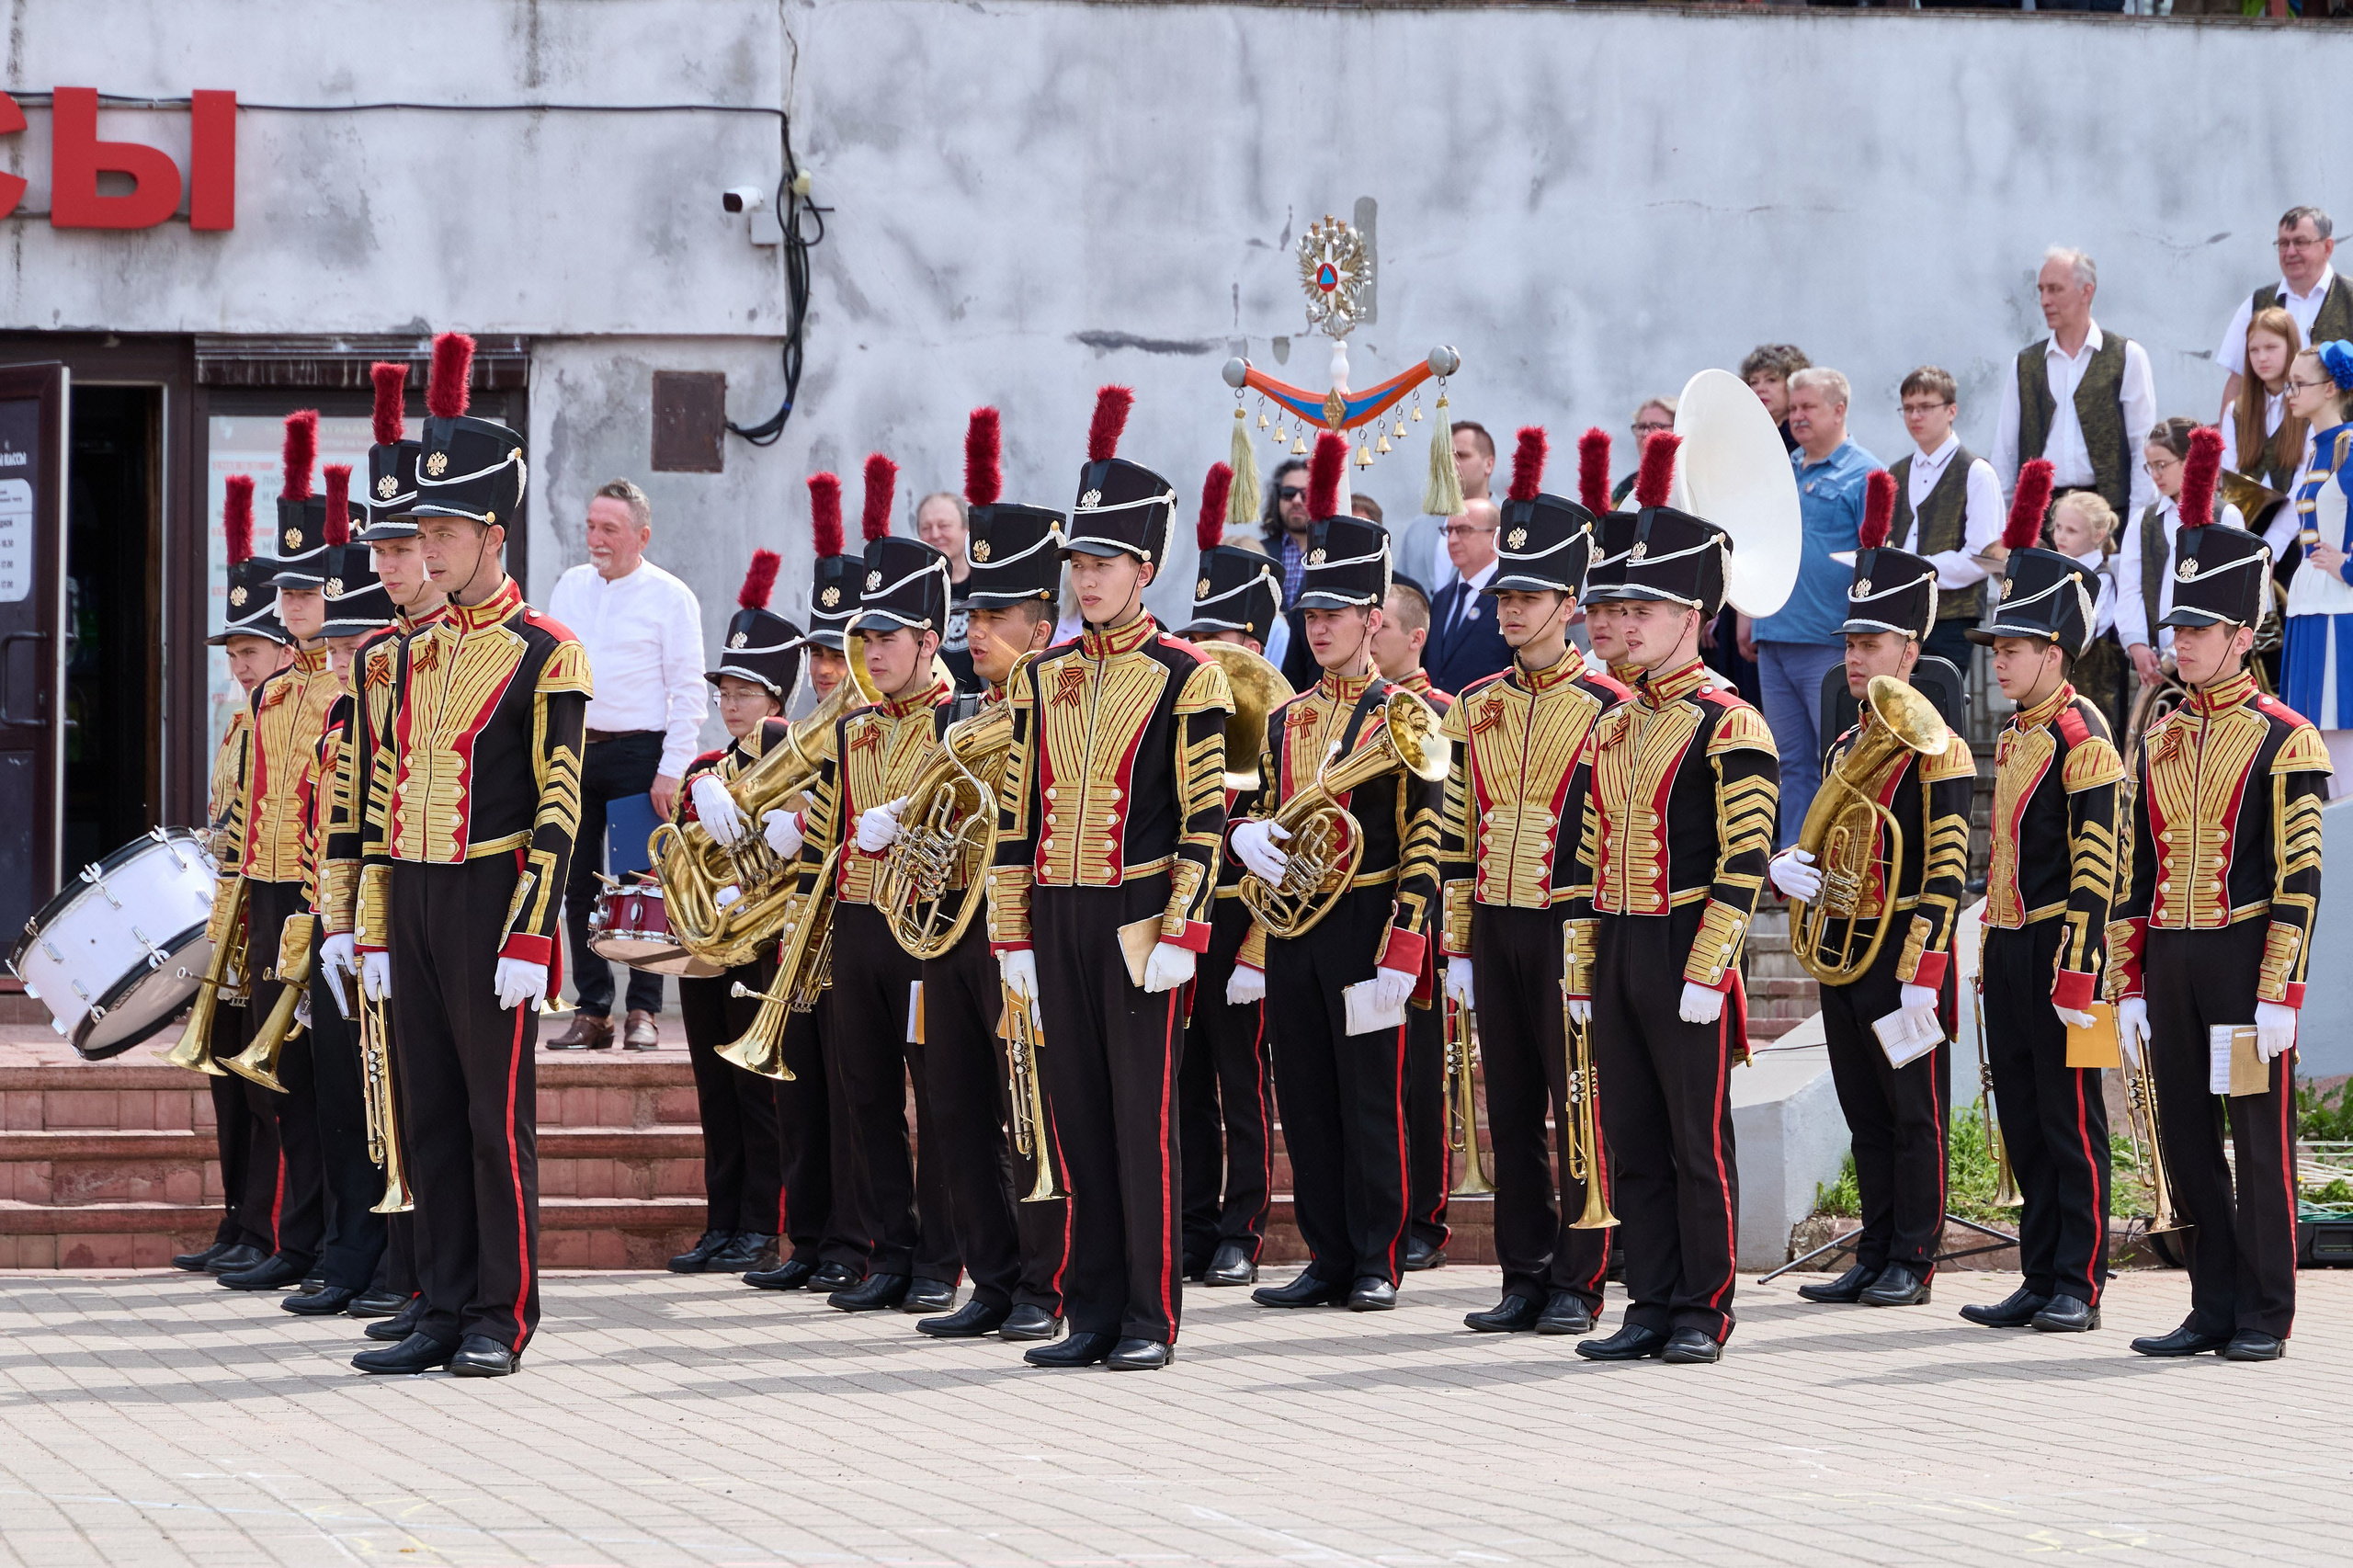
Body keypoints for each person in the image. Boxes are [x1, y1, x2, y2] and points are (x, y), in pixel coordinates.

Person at [349, 332, 591, 1379]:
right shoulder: (404, 653)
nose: (427, 548)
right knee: (427, 1108)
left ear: (492, 535)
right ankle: (439, 1300)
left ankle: (501, 1308)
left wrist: (533, 930)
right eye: (422, 531)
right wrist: (369, 920)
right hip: (412, 891)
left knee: (497, 1121)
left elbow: (562, 799)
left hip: (495, 890)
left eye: (444, 530)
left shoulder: (547, 649)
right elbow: (376, 790)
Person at [987, 386, 1233, 1370]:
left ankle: (1147, 1314)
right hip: (1055, 909)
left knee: (1143, 1122)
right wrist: (1011, 935)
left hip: (1139, 910)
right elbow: (1012, 815)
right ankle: (1087, 1310)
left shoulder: (1187, 673)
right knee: (1076, 1116)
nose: (1085, 581)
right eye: (1077, 565)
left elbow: (1208, 815)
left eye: (1103, 563)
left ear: (1144, 567)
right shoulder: (1039, 676)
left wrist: (1184, 927)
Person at [857, 408, 1070, 1341]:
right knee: (956, 1105)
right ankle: (989, 1275)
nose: (974, 630)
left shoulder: (1058, 706)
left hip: (1023, 934)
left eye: (995, 617)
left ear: (1043, 622)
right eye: (972, 614)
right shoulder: (958, 715)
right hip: (950, 930)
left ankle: (1043, 1282)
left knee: (1029, 1109)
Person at [1565, 464, 1778, 1365]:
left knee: (1698, 1142)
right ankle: (1647, 1298)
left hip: (1686, 946)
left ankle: (1702, 1305)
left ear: (1690, 614)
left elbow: (1745, 859)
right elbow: (1581, 856)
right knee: (1634, 1136)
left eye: (1644, 609)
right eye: (1619, 608)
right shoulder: (1611, 723)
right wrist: (1582, 969)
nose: (1625, 624)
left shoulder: (1729, 722)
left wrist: (1708, 966)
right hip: (1617, 943)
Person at [2109, 484, 2326, 1363]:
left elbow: (2300, 880)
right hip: (2171, 956)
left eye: (2201, 629)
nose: (2183, 641)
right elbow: (2134, 870)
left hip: (2243, 958)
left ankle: (2265, 1313)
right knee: (2185, 1138)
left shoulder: (2288, 738)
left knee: (2257, 1139)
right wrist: (2129, 978)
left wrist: (2281, 991)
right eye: (2177, 628)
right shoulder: (2157, 736)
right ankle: (2209, 1302)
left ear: (2243, 636)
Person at [1230, 436, 1440, 1315]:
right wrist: (1244, 838)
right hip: (1291, 923)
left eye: (1337, 615)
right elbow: (1264, 807)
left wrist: (1406, 943)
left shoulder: (1411, 714)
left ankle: (1376, 1258)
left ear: (1374, 623)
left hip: (1364, 919)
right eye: (1309, 614)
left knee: (1370, 1100)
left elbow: (1430, 835)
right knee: (1305, 1095)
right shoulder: (1287, 720)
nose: (1319, 629)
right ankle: (1323, 1253)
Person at [1437, 427, 1629, 1336]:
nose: (1509, 610)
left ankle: (1581, 1275)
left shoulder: (1610, 705)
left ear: (1569, 603)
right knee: (1508, 1107)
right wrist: (1455, 941)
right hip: (1497, 923)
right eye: (1504, 593)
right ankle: (1522, 1266)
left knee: (1578, 1099)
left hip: (1572, 926)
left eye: (1527, 596)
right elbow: (1452, 830)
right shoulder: (1474, 705)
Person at [1768, 472, 1972, 1311]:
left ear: (1910, 655)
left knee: (1912, 1111)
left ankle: (1915, 1258)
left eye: (1874, 643)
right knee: (1863, 1108)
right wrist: (1797, 870)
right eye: (1850, 642)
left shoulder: (1939, 747)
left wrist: (1922, 966)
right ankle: (1877, 1247)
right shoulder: (1849, 737)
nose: (1855, 657)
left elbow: (1949, 870)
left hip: (1903, 950)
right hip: (1845, 944)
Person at [767, 456, 963, 1315]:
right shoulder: (849, 734)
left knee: (947, 1100)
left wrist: (914, 835)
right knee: (867, 1097)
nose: (869, 654)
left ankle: (942, 1259)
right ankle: (889, 1250)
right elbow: (827, 836)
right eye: (863, 639)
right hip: (856, 926)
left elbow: (978, 840)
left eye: (886, 639)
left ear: (928, 640)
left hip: (933, 932)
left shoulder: (967, 721)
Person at [1956, 459, 2123, 1338]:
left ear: (2052, 653)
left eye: (2012, 650)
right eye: (1997, 652)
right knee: (2024, 1118)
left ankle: (2079, 1281)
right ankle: (2037, 1272)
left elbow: (2100, 856)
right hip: (2015, 945)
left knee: (2070, 1124)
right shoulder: (2020, 732)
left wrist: (2081, 969)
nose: (2001, 664)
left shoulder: (2078, 730)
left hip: (2066, 949)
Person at [322, 368, 449, 1343]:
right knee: (391, 1095)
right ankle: (409, 1282)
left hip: (460, 892)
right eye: (385, 547)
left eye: (407, 546)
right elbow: (360, 805)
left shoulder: (466, 646)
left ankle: (431, 1281)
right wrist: (348, 920)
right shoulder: (374, 660)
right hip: (387, 900)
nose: (395, 563)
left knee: (439, 1113)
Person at [203, 411, 338, 1299]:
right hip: (260, 888)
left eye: (302, 599)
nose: (291, 615)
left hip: (319, 894)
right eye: (281, 601)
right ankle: (268, 1230)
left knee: (301, 1077)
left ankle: (299, 1235)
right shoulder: (271, 695)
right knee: (258, 1069)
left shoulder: (342, 685)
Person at [740, 473, 867, 1294]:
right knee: (803, 1092)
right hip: (797, 921)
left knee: (856, 1098)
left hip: (857, 918)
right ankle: (812, 1238)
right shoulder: (798, 726)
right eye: (817, 653)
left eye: (838, 651)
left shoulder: (883, 717)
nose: (824, 667)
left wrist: (811, 825)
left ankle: (858, 1244)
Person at [663, 551, 799, 1279]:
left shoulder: (794, 753)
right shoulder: (707, 765)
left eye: (747, 691)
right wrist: (707, 782)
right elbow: (686, 834)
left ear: (777, 697)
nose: (733, 703)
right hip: (709, 941)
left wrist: (792, 816)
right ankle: (723, 1221)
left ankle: (761, 1225)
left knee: (758, 1092)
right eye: (726, 691)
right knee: (716, 1089)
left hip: (765, 944)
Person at [174, 476, 292, 1281]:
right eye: (236, 653)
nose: (242, 664)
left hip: (273, 909)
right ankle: (238, 1221)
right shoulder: (241, 719)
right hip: (232, 913)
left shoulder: (293, 710)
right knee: (223, 1074)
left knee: (266, 1087)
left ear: (283, 648)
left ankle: (271, 1229)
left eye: (251, 650)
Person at [546, 478, 706, 1052]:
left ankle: (643, 1009)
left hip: (642, 753)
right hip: (576, 750)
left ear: (641, 534)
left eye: (609, 528)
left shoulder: (671, 596)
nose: (596, 538)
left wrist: (673, 769)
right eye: (591, 526)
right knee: (577, 885)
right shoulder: (569, 587)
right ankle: (592, 1009)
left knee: (643, 884)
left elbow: (690, 691)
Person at [1177, 463, 1281, 1289]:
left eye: (1234, 641)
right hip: (1180, 912)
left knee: (1242, 1084)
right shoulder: (1180, 703)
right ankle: (1187, 1221)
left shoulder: (1284, 719)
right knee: (1181, 1084)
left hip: (1246, 922)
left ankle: (1242, 1226)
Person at [1744, 367, 1878, 848]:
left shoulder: (1865, 474)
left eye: (1808, 407)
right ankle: (1791, 863)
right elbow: (1760, 543)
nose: (1796, 416)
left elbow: (1874, 561)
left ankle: (1836, 859)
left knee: (1837, 755)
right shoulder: (1782, 467)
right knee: (1788, 758)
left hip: (1829, 639)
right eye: (1793, 407)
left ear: (1839, 410)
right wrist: (1748, 611)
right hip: (1775, 633)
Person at [1369, 571, 1453, 1271]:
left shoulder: (1445, 712)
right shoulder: (1357, 714)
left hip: (1429, 917)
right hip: (1364, 915)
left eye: (1383, 627)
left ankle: (1424, 1213)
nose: (1371, 636)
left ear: (1415, 636)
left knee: (1421, 1078)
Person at [1992, 246, 2158, 522]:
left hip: (2108, 518)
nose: (2045, 300)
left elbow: (2142, 447)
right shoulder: (2025, 364)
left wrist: (2138, 525)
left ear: (2086, 291)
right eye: (2042, 290)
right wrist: (2003, 528)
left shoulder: (2127, 356)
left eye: (2056, 289)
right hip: (2040, 520)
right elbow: (2005, 453)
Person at [2119, 419, 2253, 694]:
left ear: (2189, 459)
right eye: (2150, 466)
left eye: (2162, 464)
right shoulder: (2142, 521)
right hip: (2159, 663)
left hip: (2213, 661)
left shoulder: (2225, 515)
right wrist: (2137, 644)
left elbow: (2232, 593)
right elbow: (2130, 589)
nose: (2155, 474)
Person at [1886, 366, 2003, 676]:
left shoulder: (1976, 472)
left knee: (1938, 715)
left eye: (1925, 407)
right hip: (1897, 620)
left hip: (1951, 619)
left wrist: (1914, 570)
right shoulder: (1895, 473)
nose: (1915, 416)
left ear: (1952, 410)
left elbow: (1981, 558)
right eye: (1908, 408)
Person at [2281, 341, 2353, 783]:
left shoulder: (2350, 447)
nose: (2289, 392)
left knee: (2341, 746)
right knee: (2311, 745)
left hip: (2341, 611)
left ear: (2330, 388)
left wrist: (2347, 565)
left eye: (2299, 383)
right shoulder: (2317, 448)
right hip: (2309, 606)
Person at [2214, 206, 2350, 426]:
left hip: (2340, 448)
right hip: (2269, 450)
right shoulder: (2256, 304)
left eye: (2301, 242)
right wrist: (2223, 443)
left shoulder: (2350, 298)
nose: (2290, 252)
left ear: (2327, 247)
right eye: (2283, 244)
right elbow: (2238, 379)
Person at [2049, 492, 2126, 735]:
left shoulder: (2101, 578)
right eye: (2058, 527)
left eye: (2071, 531)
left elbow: (2085, 636)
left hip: (2094, 693)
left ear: (2098, 535)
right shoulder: (2055, 571)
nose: (2060, 536)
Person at [1397, 420, 1498, 596]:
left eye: (1461, 455)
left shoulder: (1510, 523)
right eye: (1445, 458)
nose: (1451, 465)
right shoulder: (1417, 529)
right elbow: (1399, 592)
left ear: (1488, 464)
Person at [1427, 497, 1513, 695]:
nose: (1453, 540)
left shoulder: (1509, 595)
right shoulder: (1442, 598)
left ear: (1496, 539)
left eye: (1464, 530)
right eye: (1448, 531)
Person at [2222, 307, 2310, 490]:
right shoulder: (2236, 411)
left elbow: (2305, 479)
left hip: (2298, 515)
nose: (2261, 358)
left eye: (2271, 348)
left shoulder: (2310, 407)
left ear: (2290, 347)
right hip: (2246, 516)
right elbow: (2230, 475)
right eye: (2253, 350)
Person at [915, 488, 979, 691]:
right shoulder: (911, 594)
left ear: (966, 529)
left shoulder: (985, 587)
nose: (934, 535)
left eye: (944, 526)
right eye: (926, 527)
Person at [1742, 345, 1810, 452]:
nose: (1760, 389)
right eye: (1754, 382)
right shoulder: (1744, 434)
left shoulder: (1806, 435)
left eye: (1771, 380)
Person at [1609, 399, 1677, 506]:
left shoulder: (1688, 483)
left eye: (1656, 426)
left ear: (1677, 428)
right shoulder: (1625, 488)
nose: (1646, 433)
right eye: (1641, 427)